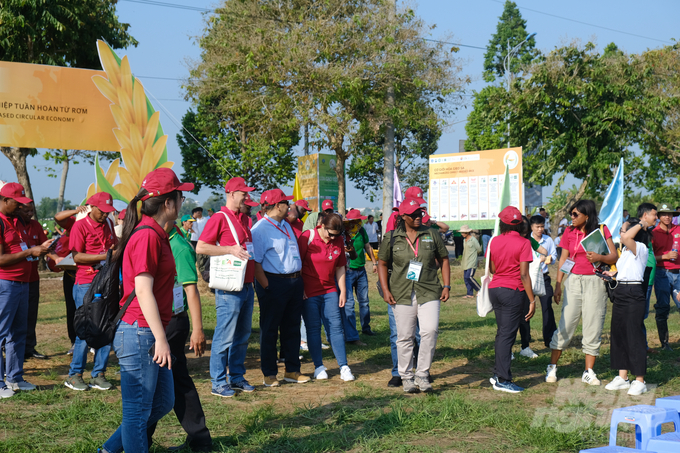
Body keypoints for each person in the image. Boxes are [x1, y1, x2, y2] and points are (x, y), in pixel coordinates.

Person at [100, 167, 192, 453]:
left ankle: (108, 450)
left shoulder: (158, 233)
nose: (183, 203)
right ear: (168, 203)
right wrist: (161, 340)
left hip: (148, 332)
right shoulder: (147, 236)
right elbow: (142, 290)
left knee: (162, 402)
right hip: (139, 333)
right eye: (180, 197)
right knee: (137, 413)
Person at [146, 218, 212, 451]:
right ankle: (199, 438)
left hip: (173, 322)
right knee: (173, 379)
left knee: (156, 381)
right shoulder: (159, 241)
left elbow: (190, 290)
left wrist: (198, 329)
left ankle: (139, 439)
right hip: (162, 320)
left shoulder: (179, 247)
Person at [377, 198, 450, 393]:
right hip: (401, 292)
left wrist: (447, 285)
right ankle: (406, 376)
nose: (419, 217)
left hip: (429, 291)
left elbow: (444, 259)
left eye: (420, 214)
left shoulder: (431, 234)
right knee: (405, 336)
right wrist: (385, 290)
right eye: (414, 215)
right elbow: (382, 263)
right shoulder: (392, 237)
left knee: (430, 331)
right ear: (403, 216)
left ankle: (423, 374)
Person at [197, 177, 257, 397]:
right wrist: (229, 250)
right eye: (244, 194)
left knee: (242, 336)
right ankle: (218, 382)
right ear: (232, 194)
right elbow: (202, 247)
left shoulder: (243, 218)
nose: (247, 198)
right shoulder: (220, 218)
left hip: (247, 285)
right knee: (225, 336)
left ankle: (237, 377)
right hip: (229, 289)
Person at [547, 199, 618, 385]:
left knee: (593, 324)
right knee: (566, 324)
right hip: (573, 281)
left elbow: (614, 256)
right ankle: (552, 367)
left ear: (587, 216)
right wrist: (558, 284)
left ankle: (588, 371)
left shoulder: (601, 230)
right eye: (571, 213)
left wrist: (599, 257)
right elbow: (563, 259)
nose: (572, 217)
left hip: (595, 281)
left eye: (575, 214)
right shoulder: (569, 232)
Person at [252, 189, 310, 386]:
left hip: (294, 282)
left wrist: (298, 281)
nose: (290, 206)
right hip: (273, 282)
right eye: (287, 203)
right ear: (278, 205)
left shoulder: (285, 225)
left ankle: (292, 370)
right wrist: (268, 286)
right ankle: (269, 374)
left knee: (292, 328)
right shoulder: (260, 229)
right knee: (270, 329)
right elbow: (256, 263)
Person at [0, 183, 51, 397]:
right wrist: (30, 250)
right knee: (1, 333)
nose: (21, 207)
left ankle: (14, 377)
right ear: (4, 201)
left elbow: (23, 248)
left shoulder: (17, 221)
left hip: (23, 283)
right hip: (6, 284)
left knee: (19, 332)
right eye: (17, 203)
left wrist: (39, 251)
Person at [64, 192, 118, 392]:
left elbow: (114, 245)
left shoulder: (110, 224)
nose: (105, 215)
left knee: (106, 327)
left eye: (108, 212)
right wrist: (104, 256)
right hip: (86, 282)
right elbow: (76, 257)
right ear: (91, 207)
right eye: (102, 211)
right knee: (86, 329)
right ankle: (74, 374)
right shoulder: (80, 226)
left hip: (105, 281)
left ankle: (98, 374)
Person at [298, 213, 355, 382]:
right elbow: (298, 264)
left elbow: (340, 267)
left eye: (336, 235)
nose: (332, 238)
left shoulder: (337, 240)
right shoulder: (307, 237)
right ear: (321, 225)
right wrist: (301, 288)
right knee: (313, 329)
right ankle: (319, 366)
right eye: (329, 234)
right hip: (309, 292)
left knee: (336, 327)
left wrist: (342, 290)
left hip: (330, 290)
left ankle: (344, 366)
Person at [486, 206, 536, 393]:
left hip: (495, 289)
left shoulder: (494, 241)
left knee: (503, 333)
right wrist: (532, 300)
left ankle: (498, 373)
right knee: (507, 336)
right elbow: (524, 275)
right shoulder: (524, 243)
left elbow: (491, 268)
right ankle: (502, 379)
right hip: (512, 291)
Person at [604, 218, 650, 396]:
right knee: (619, 334)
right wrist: (612, 275)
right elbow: (625, 271)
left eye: (623, 231)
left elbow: (627, 239)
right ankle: (622, 378)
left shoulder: (641, 249)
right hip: (621, 292)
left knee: (633, 335)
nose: (621, 235)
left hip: (633, 293)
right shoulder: (625, 252)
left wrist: (641, 223)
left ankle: (640, 380)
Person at [13, 201, 48, 360]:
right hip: (13, 279)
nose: (30, 214)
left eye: (32, 211)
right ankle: (11, 349)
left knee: (30, 314)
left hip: (32, 278)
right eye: (26, 211)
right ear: (18, 210)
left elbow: (43, 246)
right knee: (12, 316)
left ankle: (29, 347)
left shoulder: (35, 225)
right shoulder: (11, 225)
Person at [54, 205, 89, 354]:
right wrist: (77, 211)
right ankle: (75, 341)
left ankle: (93, 340)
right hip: (72, 273)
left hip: (92, 273)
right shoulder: (75, 222)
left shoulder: (102, 225)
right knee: (73, 309)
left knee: (93, 309)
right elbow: (58, 217)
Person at [343, 209, 379, 343]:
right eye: (358, 220)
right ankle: (350, 334)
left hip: (361, 270)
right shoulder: (344, 233)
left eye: (360, 220)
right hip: (347, 271)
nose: (360, 222)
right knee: (349, 304)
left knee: (364, 301)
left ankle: (366, 328)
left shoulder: (362, 231)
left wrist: (374, 262)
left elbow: (367, 246)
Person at [651, 204, 680, 351]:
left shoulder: (678, 230)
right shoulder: (653, 233)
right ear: (658, 216)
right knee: (663, 307)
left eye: (669, 214)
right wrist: (665, 256)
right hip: (662, 273)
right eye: (663, 214)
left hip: (678, 274)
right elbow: (649, 257)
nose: (667, 217)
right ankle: (665, 344)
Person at [529, 215, 558, 349]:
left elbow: (553, 255)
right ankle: (526, 337)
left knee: (547, 306)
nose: (540, 229)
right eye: (537, 227)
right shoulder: (526, 240)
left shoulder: (548, 240)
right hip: (529, 277)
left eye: (542, 226)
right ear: (531, 227)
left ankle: (549, 337)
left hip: (544, 276)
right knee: (526, 307)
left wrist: (550, 259)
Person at [636, 203, 658, 354]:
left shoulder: (647, 232)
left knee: (642, 314)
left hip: (648, 278)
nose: (656, 218)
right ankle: (639, 347)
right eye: (654, 215)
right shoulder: (637, 232)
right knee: (638, 314)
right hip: (641, 278)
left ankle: (642, 346)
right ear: (645, 215)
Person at [460, 225, 481, 298]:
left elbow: (479, 249)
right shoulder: (464, 240)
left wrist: (475, 258)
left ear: (468, 232)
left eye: (463, 232)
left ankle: (479, 289)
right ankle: (469, 293)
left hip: (472, 261)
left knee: (469, 277)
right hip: (465, 261)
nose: (462, 234)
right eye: (462, 232)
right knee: (465, 278)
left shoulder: (473, 240)